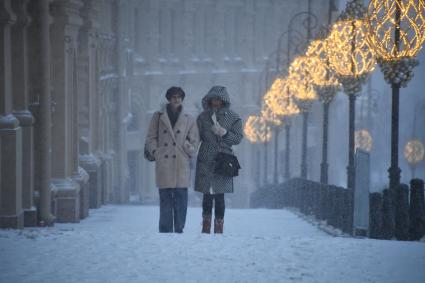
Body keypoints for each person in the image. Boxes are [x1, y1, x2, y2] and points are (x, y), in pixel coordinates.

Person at [145, 86, 199, 233]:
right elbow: (151, 138)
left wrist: (187, 147)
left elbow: (194, 140)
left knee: (181, 199)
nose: (176, 99)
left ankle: (179, 228)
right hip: (165, 161)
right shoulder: (158, 116)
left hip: (181, 162)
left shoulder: (189, 119)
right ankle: (165, 229)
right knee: (166, 198)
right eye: (174, 97)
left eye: (179, 97)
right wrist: (156, 152)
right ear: (169, 99)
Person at [194, 86, 243, 234]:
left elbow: (238, 138)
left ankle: (219, 226)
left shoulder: (233, 117)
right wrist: (190, 148)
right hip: (206, 157)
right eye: (213, 99)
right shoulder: (202, 117)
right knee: (206, 194)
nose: (215, 102)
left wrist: (225, 133)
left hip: (223, 159)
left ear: (223, 101)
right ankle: (206, 224)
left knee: (220, 195)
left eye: (218, 99)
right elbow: (196, 137)